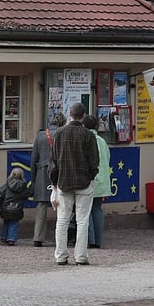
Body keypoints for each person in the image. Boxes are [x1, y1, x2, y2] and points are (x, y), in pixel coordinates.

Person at [50, 102, 99, 266]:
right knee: (82, 221)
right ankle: (81, 256)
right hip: (84, 182)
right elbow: (94, 161)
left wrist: (55, 182)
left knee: (62, 220)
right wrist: (91, 176)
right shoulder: (88, 135)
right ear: (83, 116)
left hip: (64, 181)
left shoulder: (59, 134)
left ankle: (61, 256)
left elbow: (54, 161)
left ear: (69, 114)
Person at [31, 112, 65, 247]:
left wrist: (34, 178)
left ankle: (38, 237)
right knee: (63, 205)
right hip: (60, 172)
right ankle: (61, 237)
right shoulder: (63, 135)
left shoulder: (40, 136)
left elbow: (34, 159)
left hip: (42, 172)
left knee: (41, 206)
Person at [84, 115, 110, 249]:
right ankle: (98, 240)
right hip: (103, 181)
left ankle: (90, 239)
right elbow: (108, 158)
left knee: (86, 210)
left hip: (90, 179)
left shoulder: (86, 140)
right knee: (97, 210)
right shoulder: (102, 141)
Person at [0, 167, 28, 245]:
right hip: (17, 209)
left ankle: (4, 237)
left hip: (6, 208)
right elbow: (27, 195)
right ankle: (11, 238)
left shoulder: (6, 186)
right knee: (14, 223)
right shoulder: (23, 187)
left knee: (6, 222)